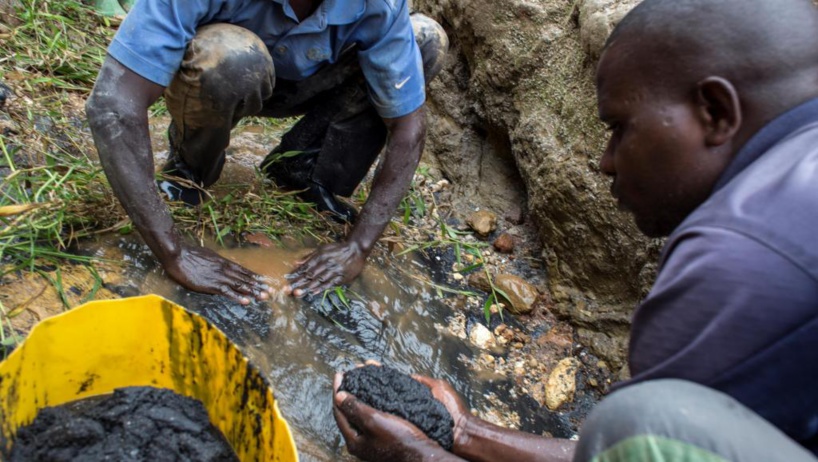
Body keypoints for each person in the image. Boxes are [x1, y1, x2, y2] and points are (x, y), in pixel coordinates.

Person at [331, 0, 818, 460]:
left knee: (642, 418)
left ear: (714, 111)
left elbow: (642, 441)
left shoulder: (741, 256)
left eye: (620, 128)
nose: (606, 162)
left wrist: (419, 455)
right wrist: (464, 432)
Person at [85, 0, 448, 304]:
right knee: (231, 58)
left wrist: (358, 247)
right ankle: (189, 169)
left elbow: (408, 127)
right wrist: (174, 252)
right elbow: (113, 104)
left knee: (423, 39)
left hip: (309, 80)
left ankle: (305, 170)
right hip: (223, 72)